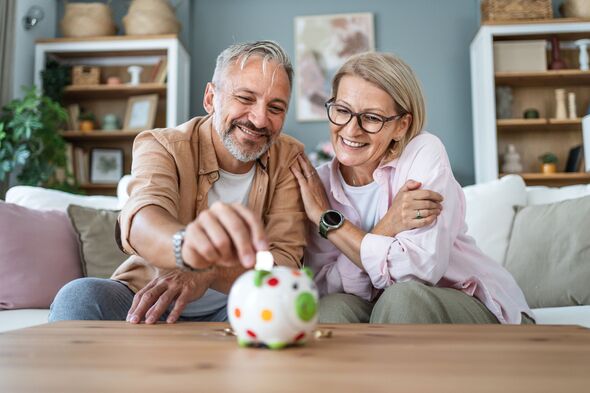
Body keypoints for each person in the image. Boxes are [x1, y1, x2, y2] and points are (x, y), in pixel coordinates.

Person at [49, 40, 307, 324]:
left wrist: (208, 271)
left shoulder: (289, 157)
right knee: (78, 295)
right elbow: (141, 220)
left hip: (239, 307)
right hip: (148, 297)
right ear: (210, 98)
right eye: (245, 98)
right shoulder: (163, 144)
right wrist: (186, 248)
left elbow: (284, 263)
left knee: (284, 310)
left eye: (275, 107)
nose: (259, 119)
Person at [291, 52, 534, 325]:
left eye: (371, 117)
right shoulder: (318, 187)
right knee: (329, 310)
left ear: (401, 125)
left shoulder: (423, 153)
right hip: (378, 303)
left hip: (467, 301)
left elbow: (418, 271)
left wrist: (330, 224)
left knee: (402, 299)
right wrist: (386, 226)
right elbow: (322, 287)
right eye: (342, 110)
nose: (351, 129)